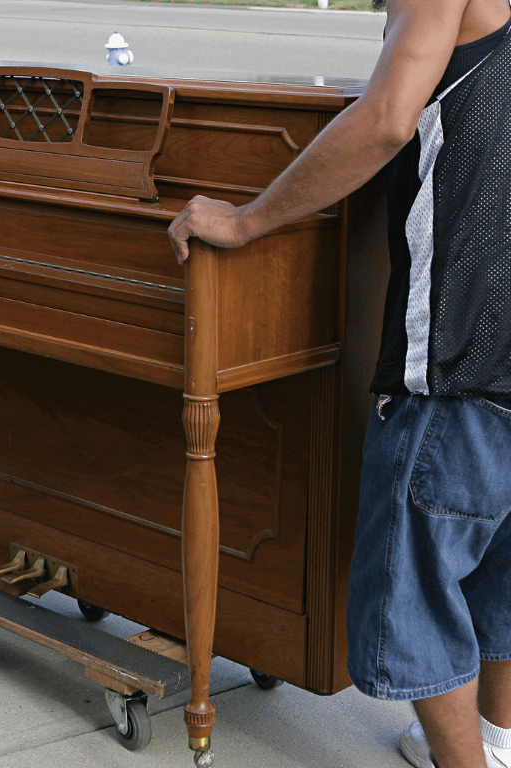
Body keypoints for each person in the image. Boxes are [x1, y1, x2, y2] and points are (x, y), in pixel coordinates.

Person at [168, 1, 511, 767]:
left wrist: (250, 220)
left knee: (420, 583)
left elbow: (388, 116)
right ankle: (495, 740)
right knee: (500, 564)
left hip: (465, 345)